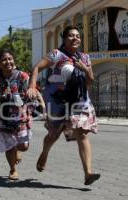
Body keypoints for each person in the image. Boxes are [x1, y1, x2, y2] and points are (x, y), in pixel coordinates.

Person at [27, 26, 100, 185]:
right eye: (71, 36)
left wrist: (84, 69)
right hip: (58, 99)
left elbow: (90, 81)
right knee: (54, 134)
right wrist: (32, 86)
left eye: (78, 36)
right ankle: (45, 153)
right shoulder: (57, 54)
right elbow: (37, 68)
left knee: (82, 134)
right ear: (64, 39)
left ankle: (88, 173)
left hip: (79, 100)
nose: (75, 38)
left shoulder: (85, 58)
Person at [0, 49, 34, 180]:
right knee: (9, 145)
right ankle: (13, 170)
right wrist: (3, 95)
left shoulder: (23, 76)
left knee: (24, 146)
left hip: (21, 115)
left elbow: (31, 93)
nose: (7, 61)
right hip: (3, 115)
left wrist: (32, 100)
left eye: (10, 59)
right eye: (4, 59)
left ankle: (17, 150)